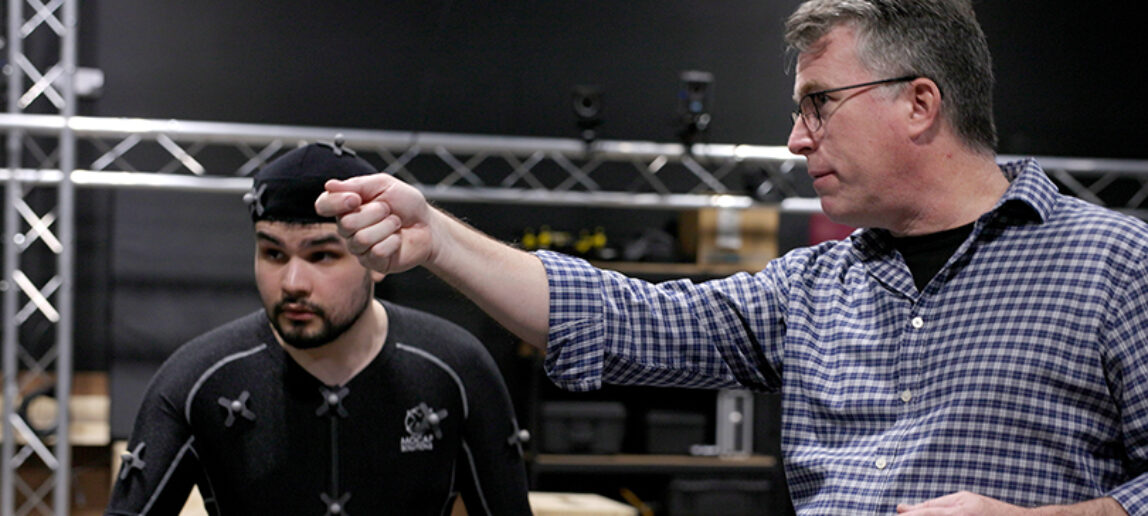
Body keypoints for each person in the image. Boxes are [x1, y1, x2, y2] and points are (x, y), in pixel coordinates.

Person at [315, 1, 1148, 514]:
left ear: (920, 104)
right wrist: (438, 240)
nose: (795, 138)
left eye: (820, 103)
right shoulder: (816, 287)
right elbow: (626, 320)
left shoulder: (1115, 265)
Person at [105, 141, 532, 516]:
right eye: (273, 254)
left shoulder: (456, 370)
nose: (292, 283)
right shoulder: (197, 380)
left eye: (323, 256)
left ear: (378, 257)